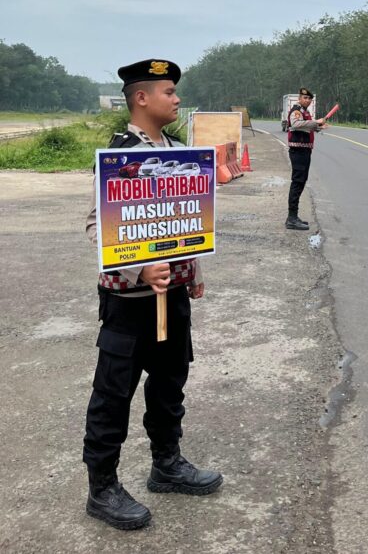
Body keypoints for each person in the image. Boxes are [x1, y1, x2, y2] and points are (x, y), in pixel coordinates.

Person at [83, 59, 222, 531]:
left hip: (175, 296)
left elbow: (187, 221)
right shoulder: (121, 157)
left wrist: (192, 269)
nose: (177, 99)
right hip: (129, 304)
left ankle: (167, 463)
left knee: (169, 385)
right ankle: (102, 487)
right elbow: (93, 226)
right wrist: (141, 269)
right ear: (141, 98)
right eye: (168, 92)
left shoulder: (180, 153)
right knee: (113, 394)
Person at [285, 87, 328, 230]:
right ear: (299, 98)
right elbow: (296, 124)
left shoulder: (306, 112)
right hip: (298, 150)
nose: (307, 100)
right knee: (297, 182)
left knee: (301, 181)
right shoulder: (296, 111)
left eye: (309, 99)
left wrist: (318, 126)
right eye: (305, 98)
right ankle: (291, 218)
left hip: (304, 150)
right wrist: (316, 122)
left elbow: (305, 127)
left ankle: (294, 216)